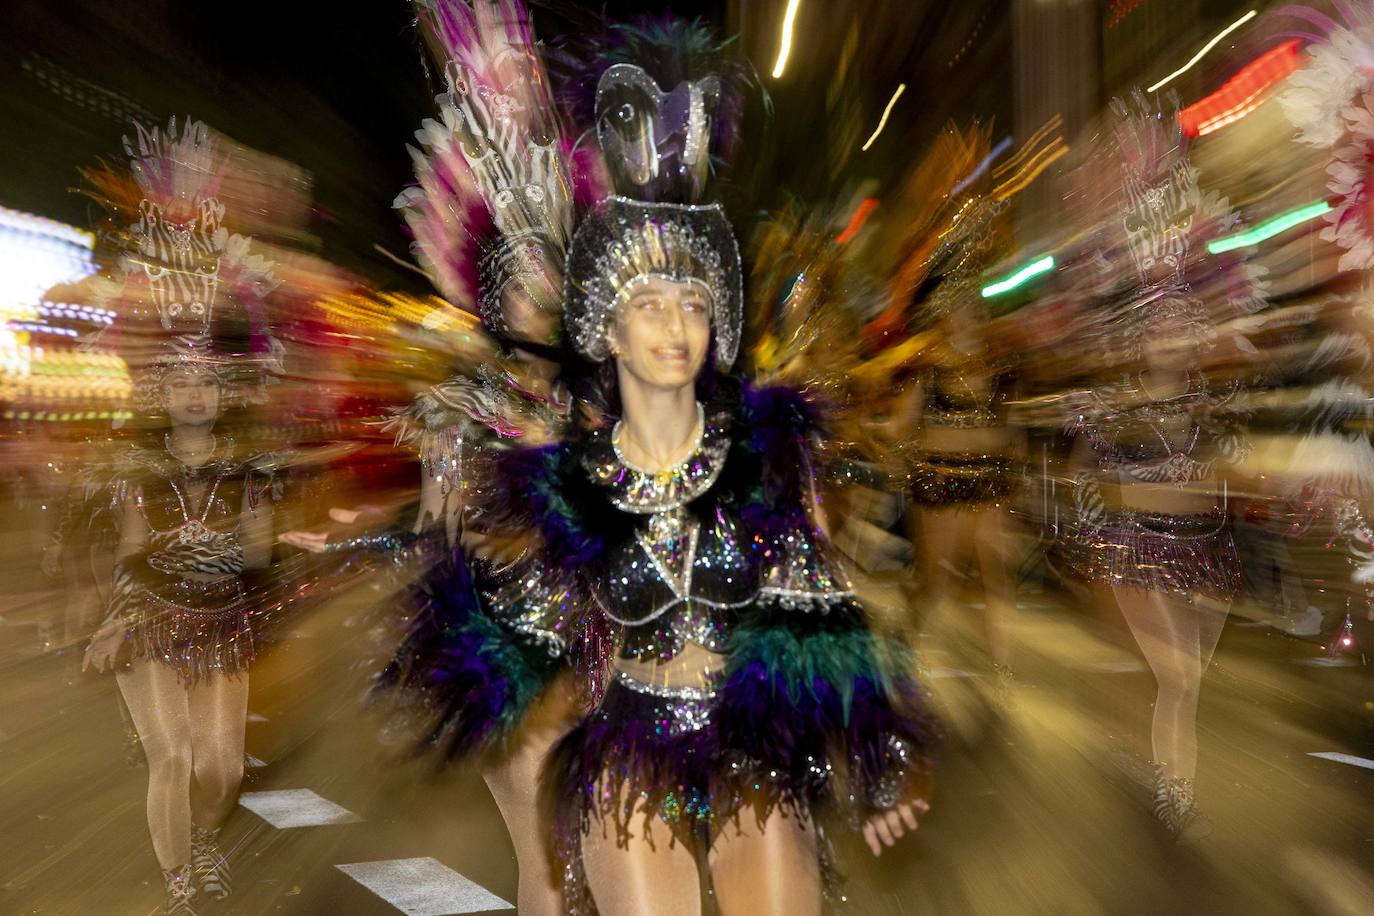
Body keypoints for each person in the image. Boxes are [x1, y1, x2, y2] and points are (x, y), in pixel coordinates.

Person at [79, 116, 280, 915]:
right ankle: (178, 892)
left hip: (223, 619)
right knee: (172, 757)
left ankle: (201, 839)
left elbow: (260, 558)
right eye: (179, 380)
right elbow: (129, 551)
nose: (193, 392)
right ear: (158, 391)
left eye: (206, 380)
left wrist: (267, 538)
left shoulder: (251, 468)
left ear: (221, 391)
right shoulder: (133, 467)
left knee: (219, 771)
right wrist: (116, 618)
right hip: (151, 618)